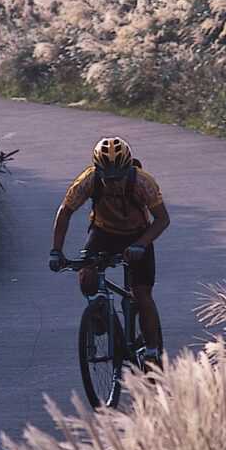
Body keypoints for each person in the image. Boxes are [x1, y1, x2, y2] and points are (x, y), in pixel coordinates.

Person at [49, 136, 170, 365]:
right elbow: (65, 211)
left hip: (137, 234)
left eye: (119, 177)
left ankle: (152, 350)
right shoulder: (89, 180)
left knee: (142, 294)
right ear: (99, 172)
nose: (114, 183)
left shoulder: (143, 183)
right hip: (104, 232)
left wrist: (142, 244)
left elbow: (162, 219)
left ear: (128, 168)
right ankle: (98, 312)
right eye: (108, 178)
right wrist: (56, 251)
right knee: (86, 277)